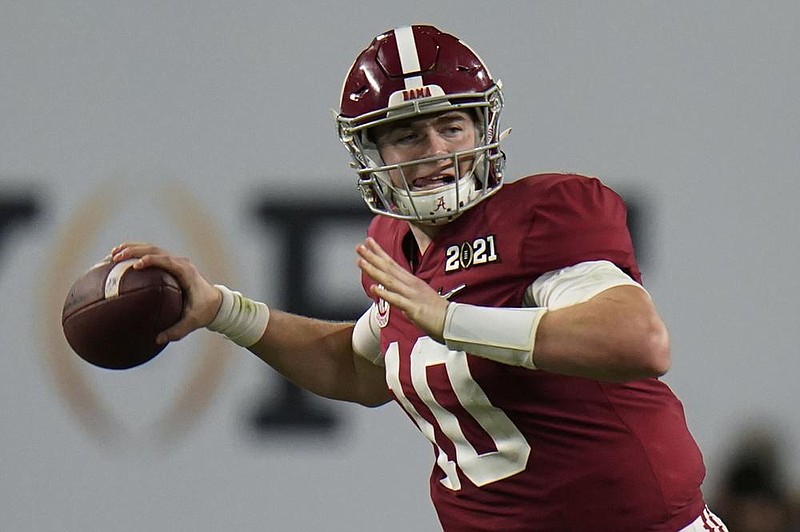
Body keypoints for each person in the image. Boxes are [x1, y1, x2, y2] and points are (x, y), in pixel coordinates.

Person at [111, 25, 728, 531]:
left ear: (483, 131)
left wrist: (450, 320)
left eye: (451, 126)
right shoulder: (393, 246)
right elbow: (356, 367)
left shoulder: (542, 215)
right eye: (406, 135)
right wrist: (222, 308)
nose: (434, 149)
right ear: (370, 156)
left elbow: (638, 342)